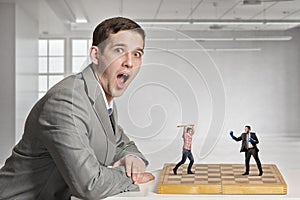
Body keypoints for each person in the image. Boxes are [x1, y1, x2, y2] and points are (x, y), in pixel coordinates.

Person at [0, 17, 154, 200]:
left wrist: (133, 159)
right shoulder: (67, 102)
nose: (129, 62)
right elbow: (90, 185)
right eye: (119, 50)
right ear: (95, 55)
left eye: (137, 53)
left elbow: (121, 144)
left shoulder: (101, 99)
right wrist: (131, 177)